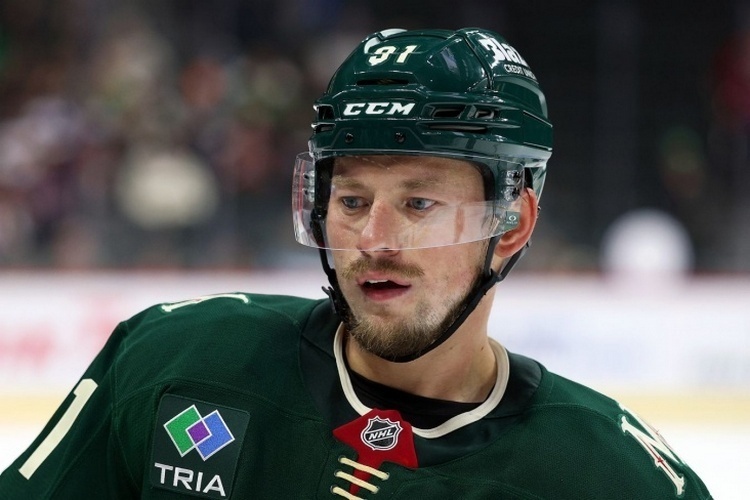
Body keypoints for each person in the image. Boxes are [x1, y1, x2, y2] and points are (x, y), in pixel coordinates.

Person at [0, 27, 711, 499]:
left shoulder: (609, 478)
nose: (374, 238)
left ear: (511, 225)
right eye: (352, 199)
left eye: (419, 204)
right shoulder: (178, 362)